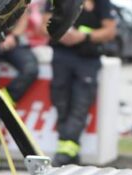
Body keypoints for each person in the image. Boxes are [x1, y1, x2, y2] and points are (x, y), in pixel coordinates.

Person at [49, 0, 116, 166]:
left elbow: (110, 31)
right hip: (62, 55)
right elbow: (44, 22)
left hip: (87, 58)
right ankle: (69, 150)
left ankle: (66, 149)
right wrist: (59, 33)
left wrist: (84, 36)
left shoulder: (101, 3)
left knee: (80, 104)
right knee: (61, 101)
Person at [0, 6, 40, 169]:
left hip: (8, 40)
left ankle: (4, 100)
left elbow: (23, 15)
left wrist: (13, 37)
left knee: (31, 68)